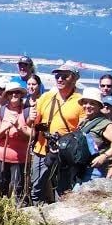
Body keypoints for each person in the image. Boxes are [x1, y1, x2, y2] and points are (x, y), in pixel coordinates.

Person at [30, 63, 83, 204]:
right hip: (42, 149)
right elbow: (34, 122)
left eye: (65, 76)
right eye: (57, 76)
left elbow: (81, 131)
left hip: (65, 154)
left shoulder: (80, 102)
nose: (60, 79)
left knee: (63, 190)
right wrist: (32, 117)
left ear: (74, 79)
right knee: (36, 188)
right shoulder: (47, 97)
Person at [0, 81, 33, 204]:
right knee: (0, 187)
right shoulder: (2, 111)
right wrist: (5, 127)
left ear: (21, 95)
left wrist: (19, 127)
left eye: (17, 92)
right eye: (11, 93)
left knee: (17, 190)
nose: (14, 95)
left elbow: (31, 136)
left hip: (19, 160)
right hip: (0, 157)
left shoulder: (27, 112)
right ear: (7, 95)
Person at [74, 87, 112, 185]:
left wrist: (104, 156)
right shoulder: (86, 121)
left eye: (92, 103)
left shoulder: (105, 123)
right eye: (85, 103)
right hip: (82, 168)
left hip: (94, 171)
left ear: (99, 106)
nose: (87, 106)